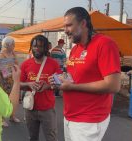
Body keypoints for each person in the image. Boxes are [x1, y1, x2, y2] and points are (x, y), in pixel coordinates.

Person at [49, 7, 121, 141]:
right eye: (64, 26)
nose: (65, 30)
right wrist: (60, 81)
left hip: (89, 120)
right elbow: (75, 78)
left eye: (69, 25)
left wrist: (72, 87)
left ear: (83, 23)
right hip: (70, 116)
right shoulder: (75, 49)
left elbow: (113, 86)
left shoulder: (105, 44)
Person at [20, 35, 61, 141]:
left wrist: (47, 86)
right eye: (34, 46)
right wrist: (29, 84)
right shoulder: (25, 64)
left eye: (40, 46)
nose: (37, 49)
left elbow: (59, 84)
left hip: (47, 110)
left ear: (45, 48)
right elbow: (18, 84)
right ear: (31, 47)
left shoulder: (53, 64)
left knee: (51, 138)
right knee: (33, 137)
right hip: (30, 109)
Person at [0, 36, 20, 127]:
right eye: (13, 44)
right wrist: (8, 73)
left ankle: (12, 115)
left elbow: (16, 63)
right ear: (7, 45)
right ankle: (1, 119)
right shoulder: (1, 54)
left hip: (12, 80)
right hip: (4, 81)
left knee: (13, 98)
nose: (14, 46)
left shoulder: (12, 53)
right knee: (3, 99)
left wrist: (15, 70)